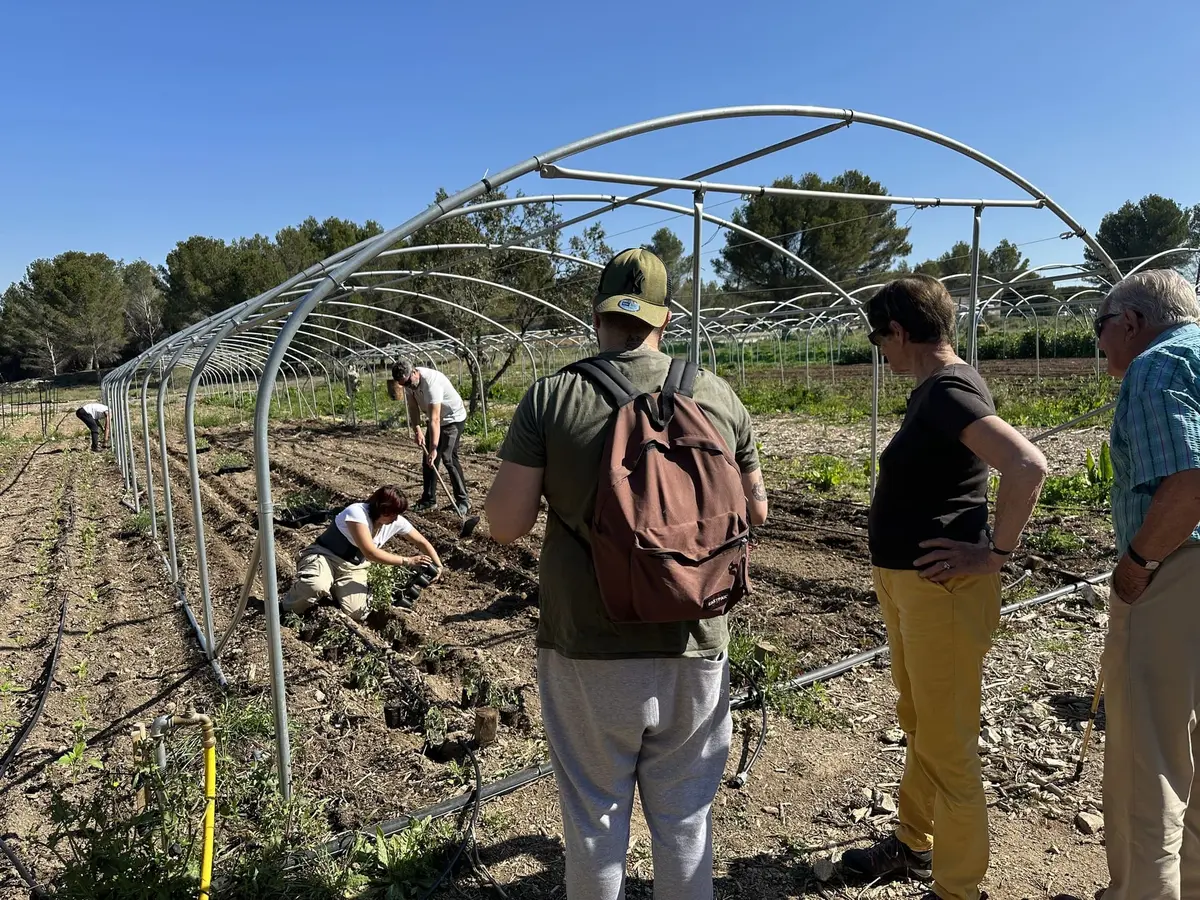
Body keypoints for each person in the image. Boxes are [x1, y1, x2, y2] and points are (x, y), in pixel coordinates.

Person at [485, 248, 769, 900]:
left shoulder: (552, 397)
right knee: (685, 821)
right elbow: (755, 510)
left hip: (588, 643)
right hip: (695, 640)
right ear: (665, 319)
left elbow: (505, 524)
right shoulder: (719, 396)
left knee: (596, 819)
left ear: (598, 314)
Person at [840, 275, 1047, 900]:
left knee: (947, 741)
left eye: (881, 339)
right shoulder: (933, 390)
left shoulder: (949, 390)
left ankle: (958, 889)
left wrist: (994, 554)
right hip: (913, 587)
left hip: (942, 595)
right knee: (921, 719)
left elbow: (1027, 464)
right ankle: (912, 840)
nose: (881, 352)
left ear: (900, 332)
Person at [1092, 270, 1200, 900]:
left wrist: (1135, 564)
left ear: (1129, 321)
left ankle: (1142, 892)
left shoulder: (1158, 366)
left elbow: (1188, 488)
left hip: (1179, 569)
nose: (1100, 343)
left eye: (1101, 326)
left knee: (1148, 756)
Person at [281, 485, 442, 621]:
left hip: (353, 566)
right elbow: (370, 552)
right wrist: (407, 561)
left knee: (356, 612)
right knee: (315, 585)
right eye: (392, 513)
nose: (395, 518)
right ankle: (284, 609)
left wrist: (438, 565)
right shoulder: (357, 513)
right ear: (382, 508)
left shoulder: (395, 521)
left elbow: (422, 542)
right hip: (325, 556)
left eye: (397, 513)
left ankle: (332, 591)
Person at [391, 359, 470, 515]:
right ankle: (429, 500)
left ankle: (463, 501)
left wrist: (434, 448)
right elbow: (413, 408)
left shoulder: (431, 383)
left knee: (448, 457)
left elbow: (435, 419)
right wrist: (417, 430)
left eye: (407, 382)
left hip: (452, 418)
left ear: (414, 372)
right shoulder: (408, 383)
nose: (406, 386)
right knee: (428, 459)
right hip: (435, 420)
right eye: (403, 384)